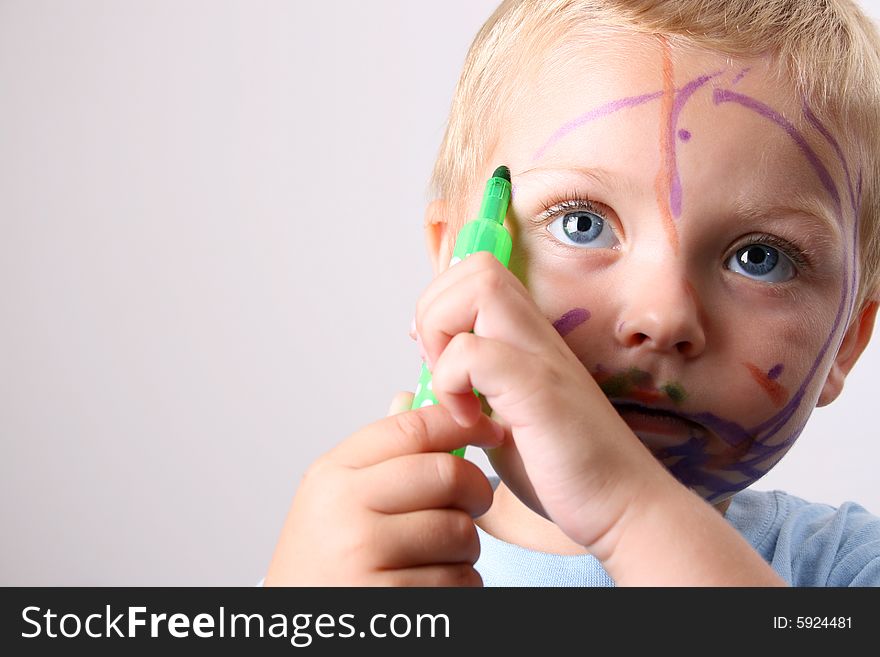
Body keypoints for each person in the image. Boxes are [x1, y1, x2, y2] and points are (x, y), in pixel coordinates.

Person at [264, 0, 880, 586]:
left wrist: (627, 506)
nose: (662, 316)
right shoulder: (348, 574)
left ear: (847, 340)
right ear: (460, 266)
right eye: (582, 223)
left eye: (759, 258)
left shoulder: (848, 571)